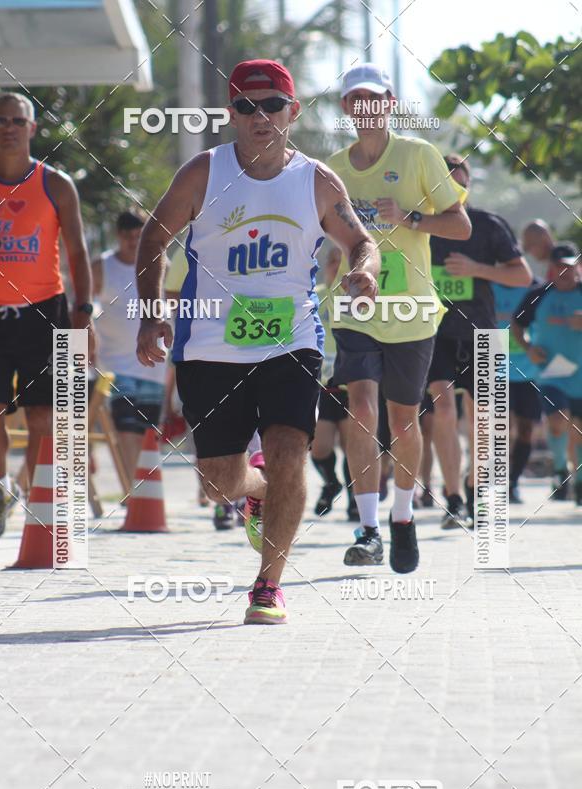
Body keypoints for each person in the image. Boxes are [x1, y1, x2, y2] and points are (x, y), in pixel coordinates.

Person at [135, 59, 379, 624]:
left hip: (291, 342)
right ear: (232, 114)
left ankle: (267, 586)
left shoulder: (316, 180)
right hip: (209, 344)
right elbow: (155, 237)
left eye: (272, 105)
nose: (260, 116)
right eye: (247, 105)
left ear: (292, 112)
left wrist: (362, 269)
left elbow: (361, 240)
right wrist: (152, 314)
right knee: (218, 480)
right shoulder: (203, 172)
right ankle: (258, 488)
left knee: (293, 451)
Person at [327, 63, 471, 571]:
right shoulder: (332, 170)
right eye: (354, 98)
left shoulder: (419, 155)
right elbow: (325, 246)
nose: (364, 106)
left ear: (389, 102)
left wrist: (408, 218)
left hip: (411, 309)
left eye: (374, 97)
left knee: (403, 419)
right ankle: (367, 528)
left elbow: (460, 225)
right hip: (355, 307)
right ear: (345, 107)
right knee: (360, 407)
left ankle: (403, 517)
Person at [0, 92, 93, 540]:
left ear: (32, 128)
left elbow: (78, 253)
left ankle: (37, 499)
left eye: (16, 120)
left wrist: (84, 313)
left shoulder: (56, 183)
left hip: (46, 310)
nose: (7, 127)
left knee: (44, 417)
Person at [428, 154, 532, 527]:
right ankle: (453, 496)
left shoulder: (487, 225)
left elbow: (523, 276)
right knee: (442, 409)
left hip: (483, 331)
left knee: (484, 419)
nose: (455, 188)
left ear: (469, 185)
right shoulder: (420, 225)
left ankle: (477, 490)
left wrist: (476, 270)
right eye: (447, 181)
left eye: (461, 181)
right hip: (432, 331)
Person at [92, 210, 166, 484]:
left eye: (139, 236)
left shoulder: (161, 264)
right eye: (128, 236)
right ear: (118, 236)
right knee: (125, 428)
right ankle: (132, 491)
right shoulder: (102, 266)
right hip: (114, 365)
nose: (134, 242)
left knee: (148, 431)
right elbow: (83, 304)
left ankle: (143, 493)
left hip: (153, 364)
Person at [512, 242, 582, 506]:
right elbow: (516, 324)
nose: (566, 272)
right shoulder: (538, 295)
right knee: (557, 418)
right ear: (552, 268)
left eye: (570, 266)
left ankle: (577, 482)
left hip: (580, 374)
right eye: (560, 267)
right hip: (552, 373)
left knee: (579, 429)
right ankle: (560, 469)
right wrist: (529, 349)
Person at [311, 245, 358, 520]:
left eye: (345, 266)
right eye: (334, 264)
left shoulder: (357, 301)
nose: (338, 270)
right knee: (320, 446)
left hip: (351, 383)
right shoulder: (314, 298)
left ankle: (355, 499)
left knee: (352, 447)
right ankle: (331, 483)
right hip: (321, 384)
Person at [493, 278, 543, 502]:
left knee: (526, 430)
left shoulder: (536, 289)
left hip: (529, 371)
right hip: (496, 368)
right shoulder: (486, 286)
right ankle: (495, 477)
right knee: (502, 429)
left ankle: (513, 481)